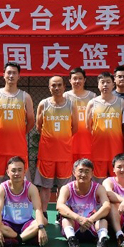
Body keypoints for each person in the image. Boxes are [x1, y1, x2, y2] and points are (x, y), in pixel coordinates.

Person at [0, 62, 34, 186]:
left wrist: (20, 132)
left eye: (14, 73)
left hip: (18, 147)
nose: (11, 75)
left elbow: (31, 121)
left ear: (19, 76)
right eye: (9, 72)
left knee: (21, 183)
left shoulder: (25, 97)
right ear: (3, 75)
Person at [56, 159, 112, 247]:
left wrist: (91, 219)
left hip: (91, 225)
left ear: (92, 173)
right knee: (65, 219)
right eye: (80, 171)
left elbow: (106, 206)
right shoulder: (66, 188)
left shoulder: (98, 188)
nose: (83, 174)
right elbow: (59, 206)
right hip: (75, 227)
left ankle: (102, 243)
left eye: (87, 171)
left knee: (103, 220)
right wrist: (78, 218)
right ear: (74, 172)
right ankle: (73, 244)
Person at [34, 75, 76, 209]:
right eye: (53, 85)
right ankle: (43, 212)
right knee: (45, 187)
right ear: (49, 87)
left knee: (63, 187)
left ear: (64, 87)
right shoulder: (44, 104)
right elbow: (38, 126)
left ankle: (61, 212)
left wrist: (62, 139)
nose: (56, 88)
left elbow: (74, 128)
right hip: (47, 154)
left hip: (65, 153)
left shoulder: (70, 105)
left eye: (59, 85)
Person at [0, 157, 48, 247]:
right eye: (13, 170)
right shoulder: (2, 188)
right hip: (7, 224)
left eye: (19, 170)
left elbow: (38, 209)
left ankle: (17, 240)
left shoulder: (31, 188)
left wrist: (41, 228)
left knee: (43, 221)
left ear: (24, 172)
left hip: (26, 224)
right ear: (8, 172)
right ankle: (25, 238)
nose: (17, 173)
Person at [86, 72, 124, 182]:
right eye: (102, 82)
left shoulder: (121, 102)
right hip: (99, 149)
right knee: (99, 181)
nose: (105, 85)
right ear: (98, 85)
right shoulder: (92, 103)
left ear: (113, 84)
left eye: (108, 82)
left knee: (116, 181)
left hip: (116, 148)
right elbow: (88, 126)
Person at [65, 67, 95, 163]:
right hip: (70, 140)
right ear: (70, 80)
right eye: (74, 78)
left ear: (84, 80)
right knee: (71, 169)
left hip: (88, 141)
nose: (77, 81)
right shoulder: (65, 96)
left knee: (87, 167)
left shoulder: (92, 96)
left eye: (80, 78)